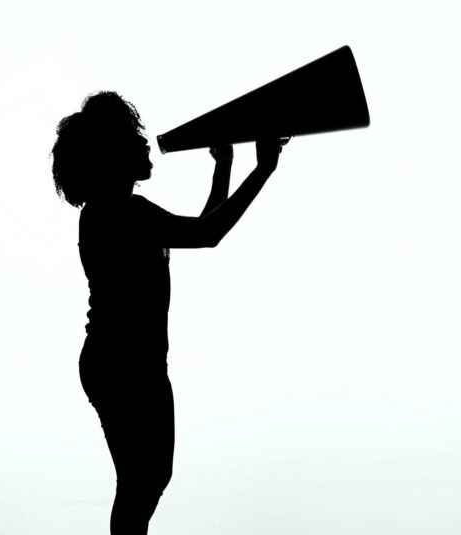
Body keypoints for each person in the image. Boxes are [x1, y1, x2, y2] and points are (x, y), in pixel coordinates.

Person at [50, 91, 285, 535]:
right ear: (113, 155)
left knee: (144, 480)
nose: (144, 145)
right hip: (126, 366)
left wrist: (224, 164)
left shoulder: (108, 212)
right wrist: (264, 169)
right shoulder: (123, 213)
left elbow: (198, 227)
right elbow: (208, 233)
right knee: (145, 481)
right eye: (134, 139)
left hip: (115, 362)